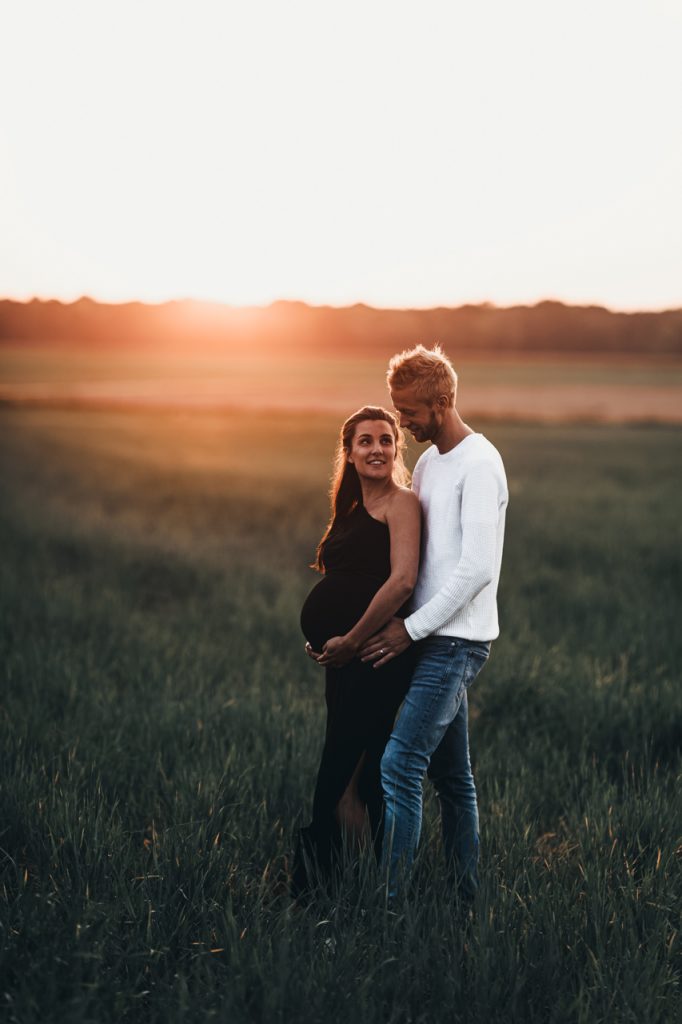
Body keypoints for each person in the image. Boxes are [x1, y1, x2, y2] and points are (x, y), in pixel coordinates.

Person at [360, 345, 508, 903]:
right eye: (399, 410)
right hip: (430, 637)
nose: (402, 422)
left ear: (442, 402)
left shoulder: (481, 463)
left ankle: (389, 903)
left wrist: (409, 630)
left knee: (399, 764)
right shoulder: (428, 463)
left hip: (455, 643)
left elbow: (475, 569)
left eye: (410, 412)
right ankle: (465, 895)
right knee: (452, 778)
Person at [293, 405, 421, 897]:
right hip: (345, 663)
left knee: (353, 779)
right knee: (338, 773)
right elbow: (339, 584)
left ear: (396, 449)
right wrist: (323, 640)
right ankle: (343, 883)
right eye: (365, 441)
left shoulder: (401, 504)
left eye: (386, 440)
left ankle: (366, 891)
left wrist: (351, 639)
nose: (377, 449)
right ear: (347, 452)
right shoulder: (347, 512)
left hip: (374, 661)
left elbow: (403, 581)